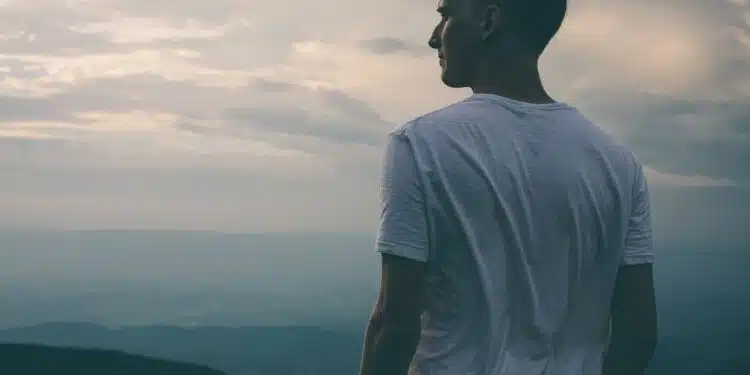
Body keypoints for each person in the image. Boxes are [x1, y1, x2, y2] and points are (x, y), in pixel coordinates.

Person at [357, 0, 658, 374]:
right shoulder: (619, 164)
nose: (434, 39)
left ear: (488, 19)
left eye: (446, 15)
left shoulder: (419, 145)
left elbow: (393, 324)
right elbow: (638, 332)